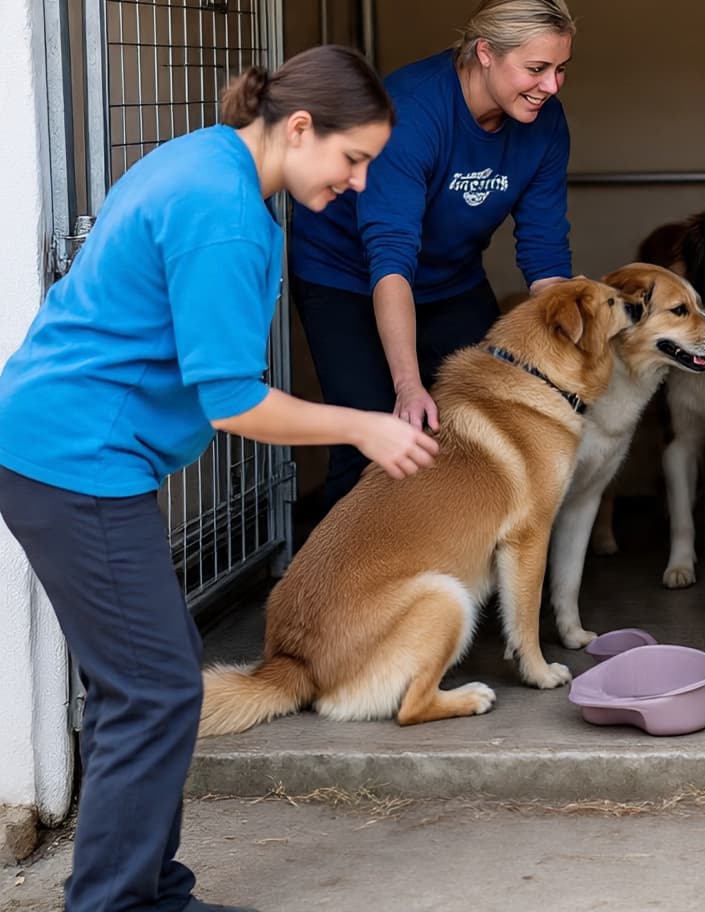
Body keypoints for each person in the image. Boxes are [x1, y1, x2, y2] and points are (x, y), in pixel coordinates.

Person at [0, 46, 438, 912]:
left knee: (148, 682)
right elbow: (234, 400)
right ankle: (119, 902)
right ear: (301, 127)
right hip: (74, 458)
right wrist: (363, 424)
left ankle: (146, 891)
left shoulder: (200, 154)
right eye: (353, 160)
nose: (357, 185)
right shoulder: (227, 212)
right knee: (156, 688)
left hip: (67, 446)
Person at [289, 0, 576, 508]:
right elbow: (391, 260)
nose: (551, 86)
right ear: (485, 53)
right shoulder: (411, 113)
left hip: (451, 278)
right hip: (350, 276)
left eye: (560, 70)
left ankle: (457, 584)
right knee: (373, 436)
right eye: (535, 69)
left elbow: (545, 256)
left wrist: (567, 354)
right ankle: (337, 587)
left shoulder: (546, 124)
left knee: (485, 417)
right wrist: (407, 384)